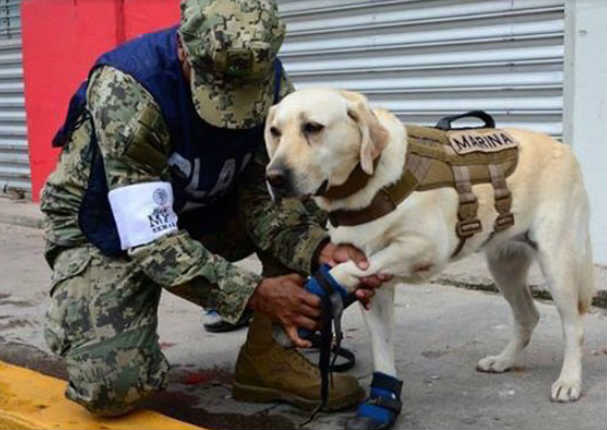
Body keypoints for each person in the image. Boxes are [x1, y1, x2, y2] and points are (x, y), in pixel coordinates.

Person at [41, 0, 384, 417]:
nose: (235, 107)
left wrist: (319, 250)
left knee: (308, 202)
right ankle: (88, 315)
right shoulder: (129, 90)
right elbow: (150, 235)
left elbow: (265, 194)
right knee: (112, 388)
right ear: (184, 50)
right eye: (220, 90)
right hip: (104, 230)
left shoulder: (268, 79)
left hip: (203, 211)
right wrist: (253, 294)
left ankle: (268, 358)